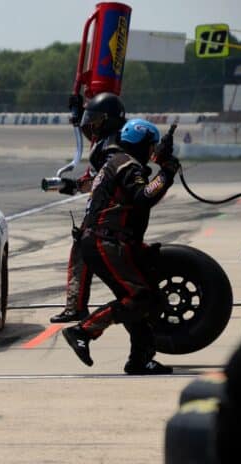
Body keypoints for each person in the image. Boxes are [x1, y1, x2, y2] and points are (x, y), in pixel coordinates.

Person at [62, 118, 180, 375]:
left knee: (144, 297)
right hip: (107, 241)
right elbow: (143, 196)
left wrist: (162, 165)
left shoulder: (117, 162)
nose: (153, 151)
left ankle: (140, 359)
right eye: (151, 146)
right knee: (140, 297)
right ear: (142, 144)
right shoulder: (127, 164)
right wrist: (167, 173)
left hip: (107, 241)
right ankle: (83, 331)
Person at [50, 92, 127, 323]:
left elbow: (105, 180)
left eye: (95, 119)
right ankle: (76, 307)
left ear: (108, 119)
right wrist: (73, 186)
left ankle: (79, 309)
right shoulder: (107, 142)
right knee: (83, 253)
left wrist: (77, 186)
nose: (90, 124)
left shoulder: (113, 147)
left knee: (93, 256)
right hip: (105, 213)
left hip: (109, 215)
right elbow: (95, 179)